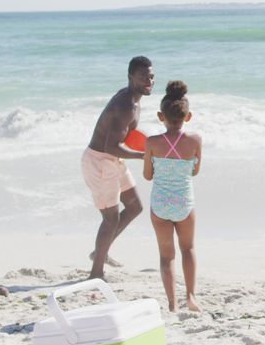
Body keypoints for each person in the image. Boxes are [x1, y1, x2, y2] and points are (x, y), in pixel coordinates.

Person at [82, 55, 155, 279]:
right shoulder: (125, 105)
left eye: (151, 77)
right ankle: (96, 274)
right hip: (100, 161)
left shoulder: (134, 99)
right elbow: (111, 146)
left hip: (113, 159)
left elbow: (124, 139)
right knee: (110, 219)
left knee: (134, 207)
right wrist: (145, 156)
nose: (149, 81)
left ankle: (99, 254)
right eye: (143, 77)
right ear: (130, 77)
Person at [143, 80, 202, 312]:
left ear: (161, 116)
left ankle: (172, 304)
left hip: (160, 205)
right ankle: (191, 296)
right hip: (184, 203)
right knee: (188, 249)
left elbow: (148, 176)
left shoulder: (152, 142)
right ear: (188, 116)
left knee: (166, 256)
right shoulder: (195, 141)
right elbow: (195, 171)